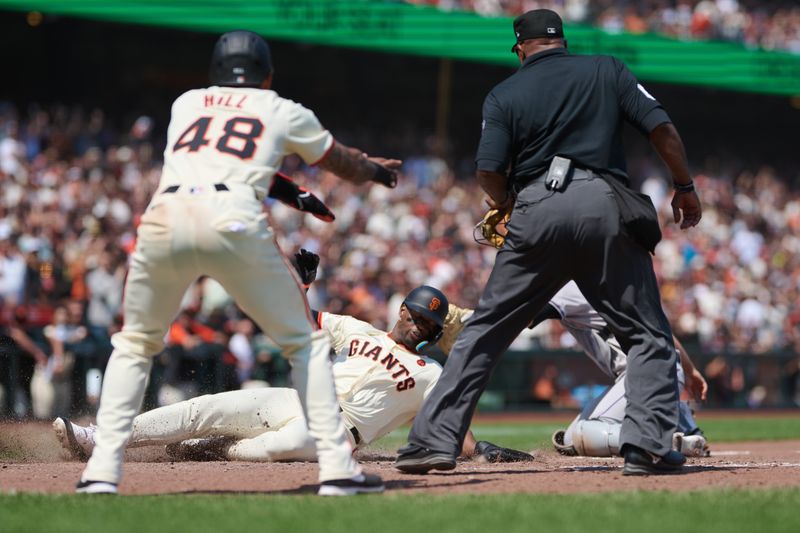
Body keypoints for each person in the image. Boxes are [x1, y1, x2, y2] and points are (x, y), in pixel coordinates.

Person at [77, 30, 401, 496]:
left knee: (134, 345)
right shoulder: (281, 108)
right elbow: (341, 163)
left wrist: (291, 192)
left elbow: (220, 160)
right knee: (304, 346)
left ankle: (100, 474)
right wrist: (373, 170)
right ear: (267, 76)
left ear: (214, 73)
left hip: (165, 215)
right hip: (233, 220)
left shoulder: (187, 104)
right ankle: (336, 470)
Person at [395, 9, 702, 476]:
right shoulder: (606, 69)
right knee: (646, 334)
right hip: (604, 204)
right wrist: (683, 185)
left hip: (535, 208)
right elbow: (662, 128)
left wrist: (507, 204)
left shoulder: (504, 93)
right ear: (562, 41)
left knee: (485, 333)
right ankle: (647, 448)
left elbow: (487, 171)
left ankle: (432, 445)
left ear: (521, 48)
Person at [55, 266, 530, 469]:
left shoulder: (432, 371)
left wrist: (480, 449)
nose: (414, 319)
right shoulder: (357, 329)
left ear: (431, 330)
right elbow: (302, 317)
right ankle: (97, 438)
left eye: (425, 319)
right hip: (298, 398)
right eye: (412, 309)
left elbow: (450, 430)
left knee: (272, 448)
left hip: (338, 431)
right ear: (401, 308)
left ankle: (204, 451)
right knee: (207, 406)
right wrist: (301, 284)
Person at [441, 281, 710, 458]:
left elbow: (522, 317)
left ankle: (657, 442)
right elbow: (661, 329)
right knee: (568, 440)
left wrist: (467, 319)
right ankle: (681, 421)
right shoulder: (599, 279)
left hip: (644, 374)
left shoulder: (567, 285)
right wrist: (690, 371)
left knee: (583, 435)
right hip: (659, 369)